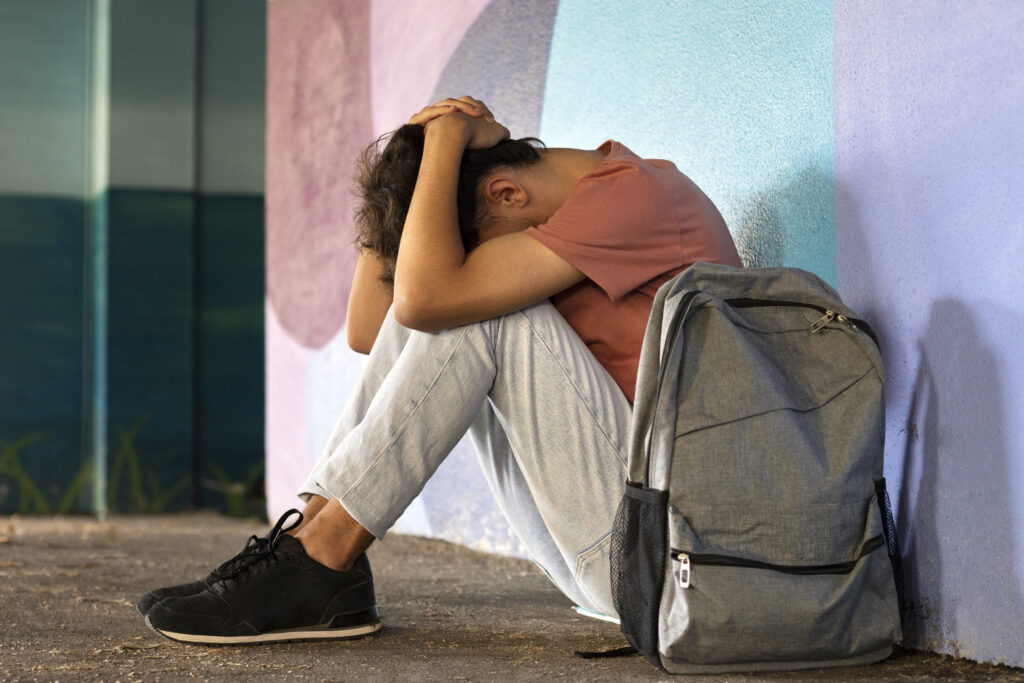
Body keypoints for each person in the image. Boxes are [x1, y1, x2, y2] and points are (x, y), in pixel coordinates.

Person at [139, 97, 742, 645]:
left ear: (505, 194)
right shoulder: (582, 205)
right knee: (445, 304)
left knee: (479, 314)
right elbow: (377, 329)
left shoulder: (636, 195)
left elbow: (423, 303)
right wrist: (412, 170)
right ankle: (306, 544)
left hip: (674, 562)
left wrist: (451, 137)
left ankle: (322, 561)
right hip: (621, 554)